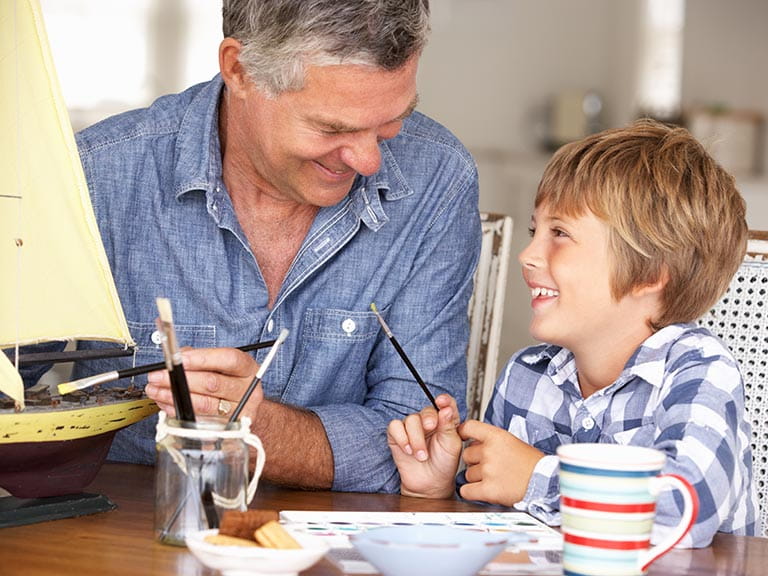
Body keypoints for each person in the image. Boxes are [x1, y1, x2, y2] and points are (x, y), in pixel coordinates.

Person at [40, 0, 481, 492]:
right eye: (332, 128)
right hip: (117, 537)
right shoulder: (95, 175)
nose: (370, 160)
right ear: (239, 70)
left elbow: (423, 447)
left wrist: (257, 426)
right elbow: (11, 382)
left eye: (391, 121)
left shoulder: (439, 179)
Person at [388, 118, 759, 546]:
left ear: (650, 273)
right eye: (534, 231)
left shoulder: (699, 370)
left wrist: (534, 476)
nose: (527, 255)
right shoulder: (527, 377)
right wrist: (438, 492)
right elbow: (495, 533)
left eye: (559, 233)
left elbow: (684, 510)